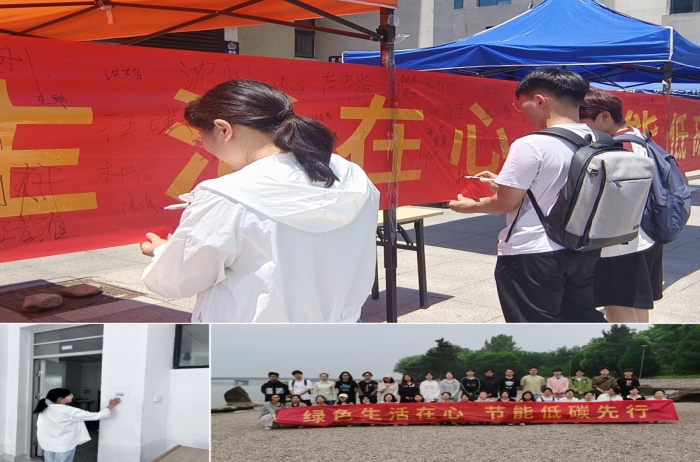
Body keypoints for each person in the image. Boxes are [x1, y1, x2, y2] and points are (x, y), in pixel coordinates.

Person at [140, 79, 380, 323]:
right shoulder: (353, 176)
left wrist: (162, 251)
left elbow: (177, 282)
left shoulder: (228, 195)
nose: (202, 144)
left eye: (202, 134)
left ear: (223, 130)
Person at [449, 68, 604, 323]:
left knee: (533, 329)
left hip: (534, 252)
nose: (521, 110)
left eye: (522, 103)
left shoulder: (531, 144)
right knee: (579, 320)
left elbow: (505, 203)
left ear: (540, 101)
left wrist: (470, 206)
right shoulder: (599, 139)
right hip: (582, 248)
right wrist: (505, 185)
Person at [579, 88, 663, 323]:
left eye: (584, 121)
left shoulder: (619, 147)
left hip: (621, 240)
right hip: (645, 233)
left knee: (616, 306)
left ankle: (626, 346)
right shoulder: (637, 136)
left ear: (604, 116)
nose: (582, 127)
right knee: (635, 301)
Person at [34, 388, 120, 462]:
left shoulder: (44, 409)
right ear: (60, 398)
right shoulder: (69, 410)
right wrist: (110, 406)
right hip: (63, 444)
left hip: (48, 443)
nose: (72, 396)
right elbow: (96, 416)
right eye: (69, 395)